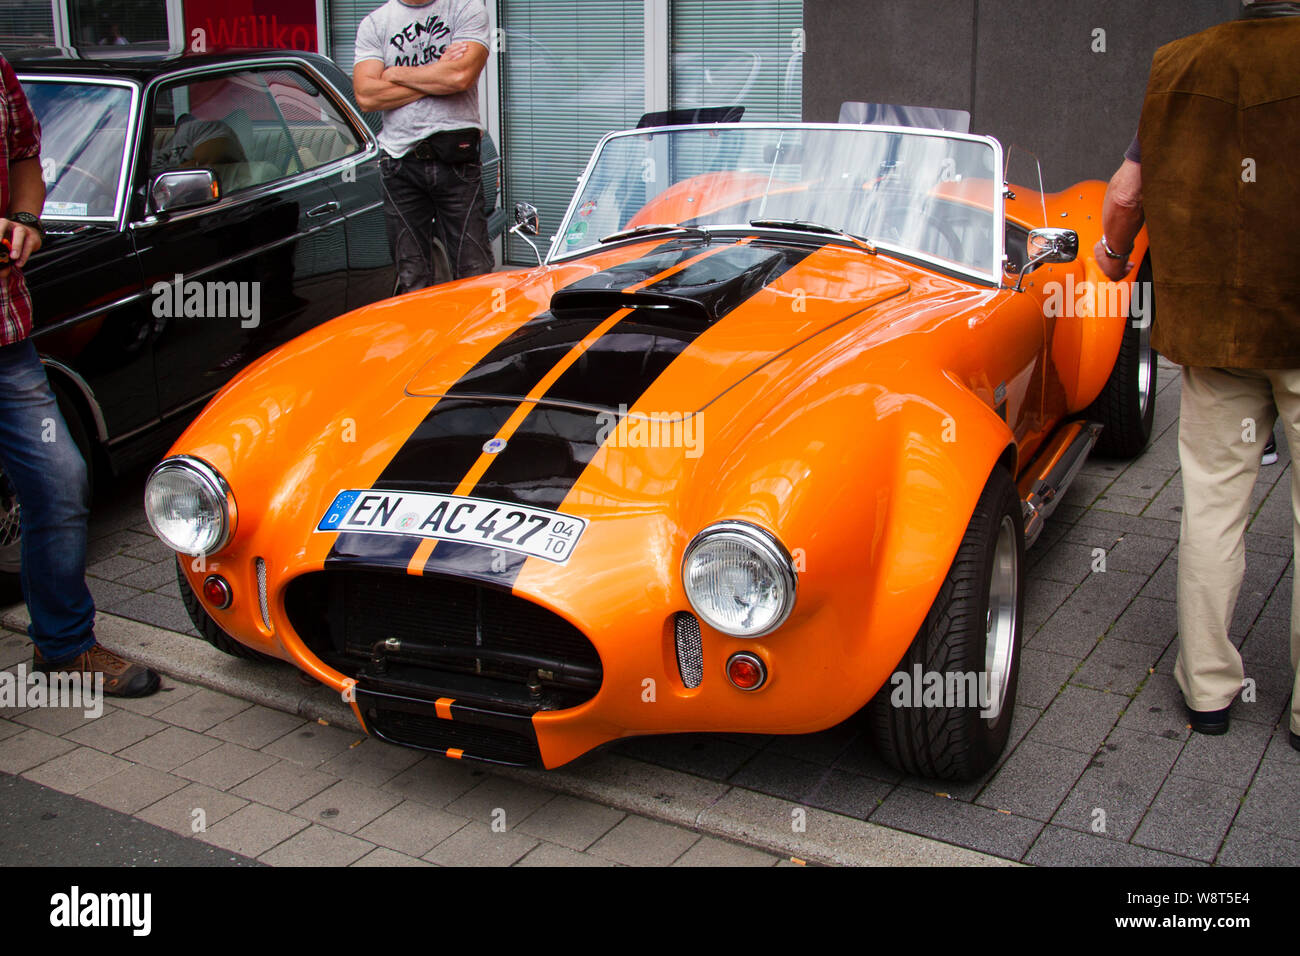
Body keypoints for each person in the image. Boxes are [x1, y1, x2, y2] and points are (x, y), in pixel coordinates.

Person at [1095, 0, 1299, 750]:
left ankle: (1209, 691)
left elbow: (1125, 192)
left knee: (1213, 506)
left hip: (1217, 333)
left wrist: (1113, 259)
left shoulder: (1179, 65)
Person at [0, 54, 159, 696]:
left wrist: (27, 219)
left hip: (6, 337)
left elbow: (24, 159)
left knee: (61, 479)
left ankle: (64, 647)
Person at [352, 0, 493, 291]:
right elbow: (367, 96)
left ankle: (476, 337)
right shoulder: (375, 23)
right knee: (411, 276)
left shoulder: (465, 9)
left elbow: (460, 76)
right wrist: (438, 71)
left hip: (456, 160)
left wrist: (393, 73)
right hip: (400, 163)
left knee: (474, 272)